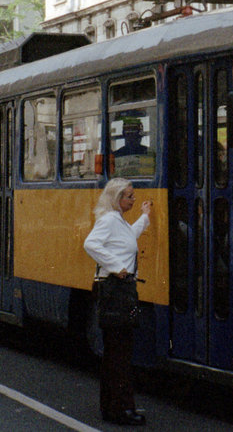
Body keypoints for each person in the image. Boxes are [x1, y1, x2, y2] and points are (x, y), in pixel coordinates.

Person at [83, 178, 153, 426]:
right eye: (129, 197)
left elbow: (127, 239)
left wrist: (144, 217)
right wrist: (117, 267)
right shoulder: (110, 220)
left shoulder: (118, 220)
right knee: (119, 353)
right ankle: (121, 409)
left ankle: (113, 407)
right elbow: (90, 243)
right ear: (117, 198)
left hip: (121, 292)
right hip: (117, 291)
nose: (133, 200)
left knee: (116, 352)